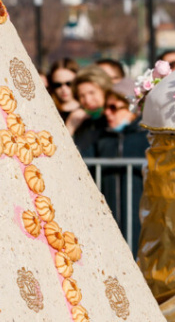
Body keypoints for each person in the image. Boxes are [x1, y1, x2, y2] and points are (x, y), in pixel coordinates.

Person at [83, 81, 149, 255]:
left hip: (140, 225)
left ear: (133, 109)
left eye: (114, 107)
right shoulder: (99, 138)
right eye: (106, 107)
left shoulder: (147, 138)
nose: (107, 112)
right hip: (107, 226)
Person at [70, 65, 112, 152]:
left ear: (104, 91)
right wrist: (70, 127)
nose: (87, 100)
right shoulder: (79, 121)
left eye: (92, 93)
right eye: (82, 95)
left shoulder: (114, 120)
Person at [48, 59, 80, 125]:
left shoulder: (87, 110)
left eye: (69, 83)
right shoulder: (48, 112)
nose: (64, 89)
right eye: (58, 85)